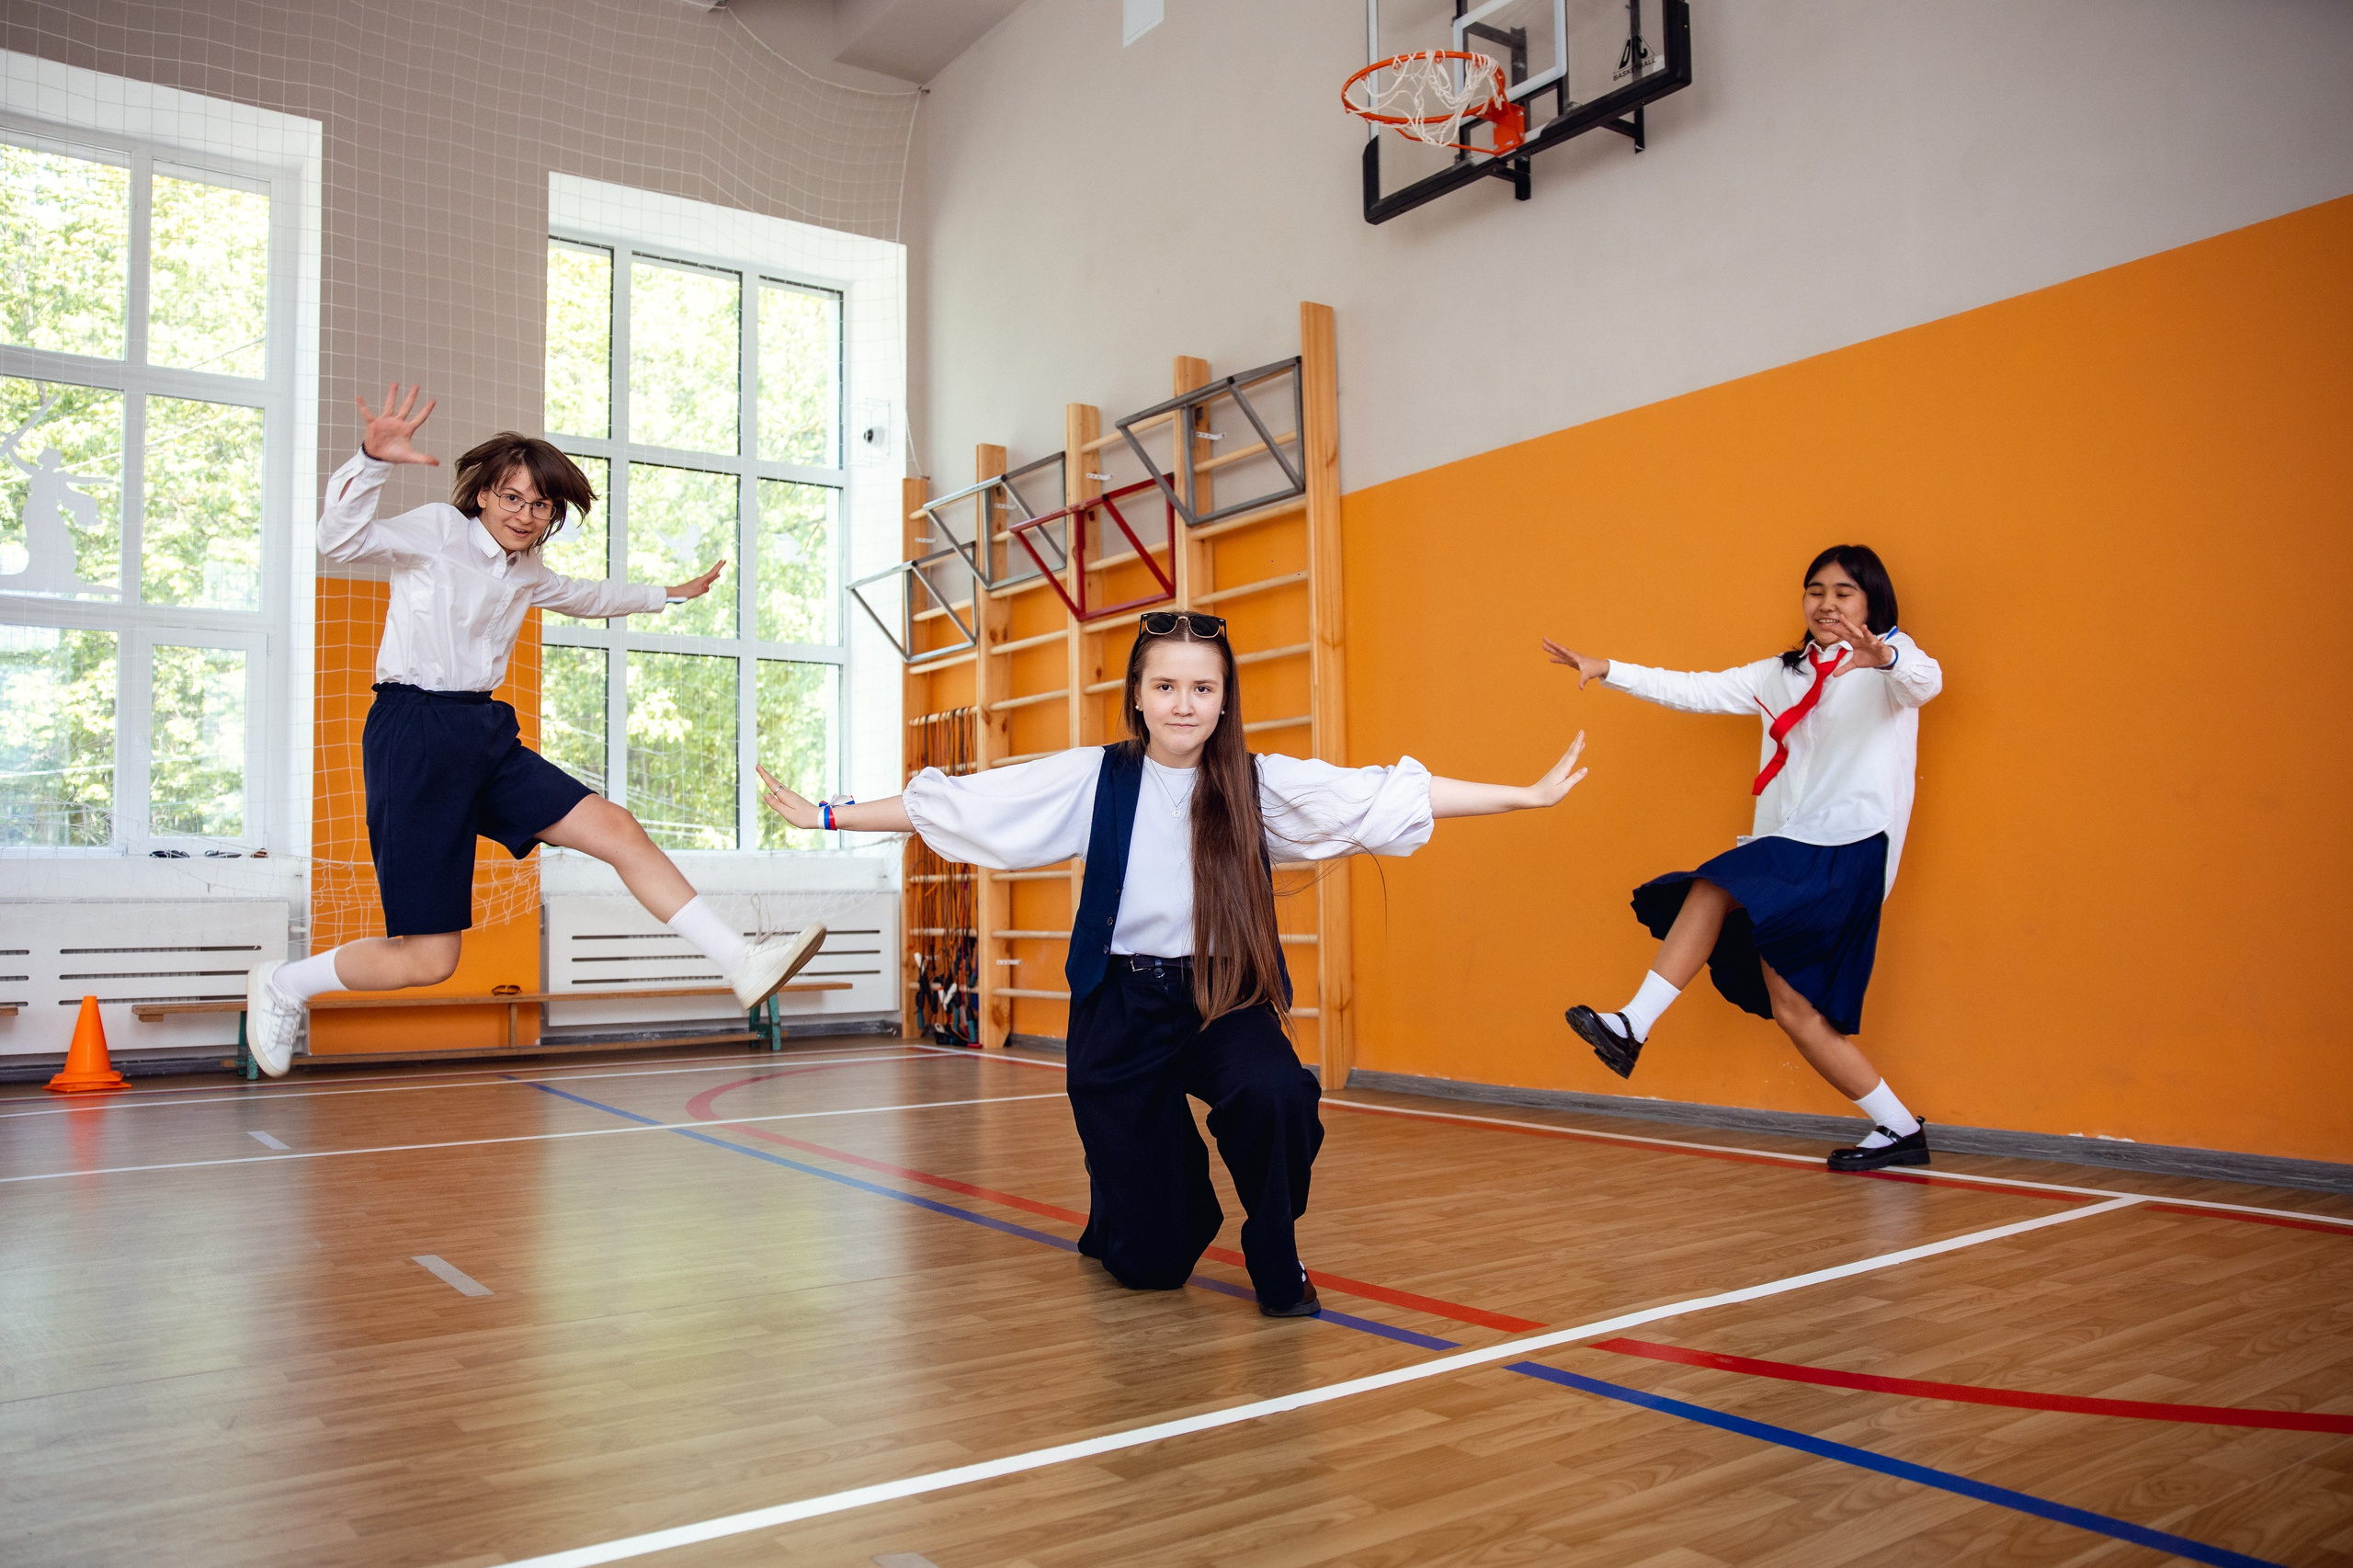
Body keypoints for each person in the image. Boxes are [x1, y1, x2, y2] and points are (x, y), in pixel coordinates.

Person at [760, 610, 1587, 1316]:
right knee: (1150, 1267)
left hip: (1223, 993)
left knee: (1277, 1097)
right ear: (1138, 696)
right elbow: (968, 802)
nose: (1184, 704)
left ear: (1224, 699)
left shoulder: (1261, 784)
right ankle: (1131, 1203)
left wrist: (1524, 796)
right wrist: (829, 814)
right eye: (1166, 687)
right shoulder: (1095, 777)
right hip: (1121, 1007)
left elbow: (1387, 798)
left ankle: (1275, 1244)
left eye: (1202, 688)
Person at [242, 384, 824, 1075]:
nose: (525, 513)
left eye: (540, 503)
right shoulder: (434, 531)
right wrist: (372, 459)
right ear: (483, 494)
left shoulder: (528, 571)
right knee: (430, 960)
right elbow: (338, 539)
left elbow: (585, 597)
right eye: (512, 497)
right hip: (414, 734)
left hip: (482, 733)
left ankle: (740, 960)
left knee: (617, 829)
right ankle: (284, 985)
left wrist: (668, 593)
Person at [1544, 544, 1942, 1173]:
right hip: (1795, 846)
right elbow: (1695, 690)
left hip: (1851, 846)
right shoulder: (1779, 675)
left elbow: (1926, 682)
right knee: (1795, 1012)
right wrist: (1609, 668)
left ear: (1871, 601)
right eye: (1816, 591)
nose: (1827, 604)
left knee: (1715, 884)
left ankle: (1632, 1025)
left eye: (1843, 592)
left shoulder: (1892, 664)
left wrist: (1884, 655)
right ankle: (1899, 1130)